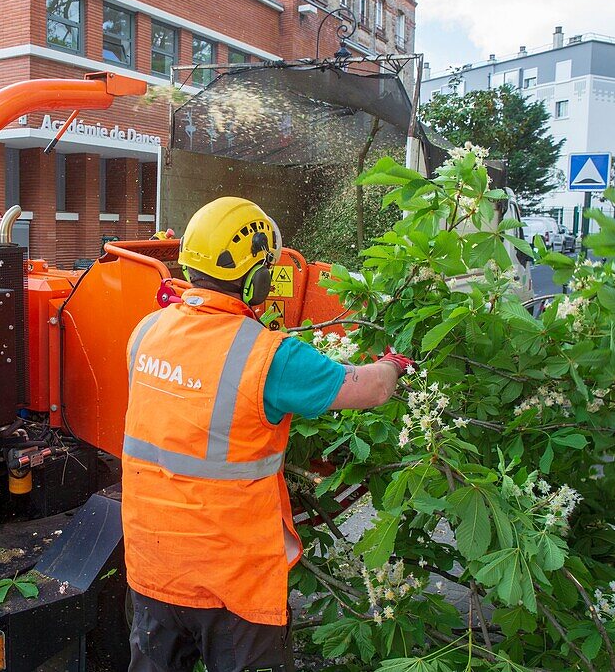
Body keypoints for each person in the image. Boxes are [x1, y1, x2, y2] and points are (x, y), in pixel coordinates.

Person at [122, 197, 413, 672]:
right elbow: (372, 389)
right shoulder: (269, 357)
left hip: (154, 568)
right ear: (257, 278)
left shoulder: (146, 331)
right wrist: (394, 363)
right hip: (232, 583)